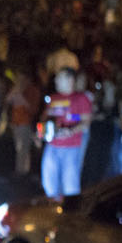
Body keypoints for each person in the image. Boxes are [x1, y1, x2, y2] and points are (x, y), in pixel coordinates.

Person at [39, 67, 93, 198]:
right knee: (49, 182)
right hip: (52, 146)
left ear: (70, 79)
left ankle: (70, 212)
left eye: (59, 77)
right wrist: (40, 134)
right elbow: (44, 118)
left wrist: (71, 130)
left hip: (71, 149)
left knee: (70, 185)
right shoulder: (52, 98)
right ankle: (53, 209)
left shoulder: (81, 99)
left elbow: (85, 120)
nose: (56, 80)